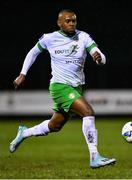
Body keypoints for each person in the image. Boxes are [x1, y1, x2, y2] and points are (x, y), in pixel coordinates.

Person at [9, 9, 116, 168]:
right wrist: (22, 74)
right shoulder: (50, 38)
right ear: (59, 23)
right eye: (68, 21)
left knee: (55, 126)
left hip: (76, 88)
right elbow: (33, 53)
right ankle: (95, 157)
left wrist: (99, 58)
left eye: (74, 21)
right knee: (88, 112)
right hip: (59, 87)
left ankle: (24, 133)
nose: (72, 23)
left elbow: (100, 56)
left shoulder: (83, 37)